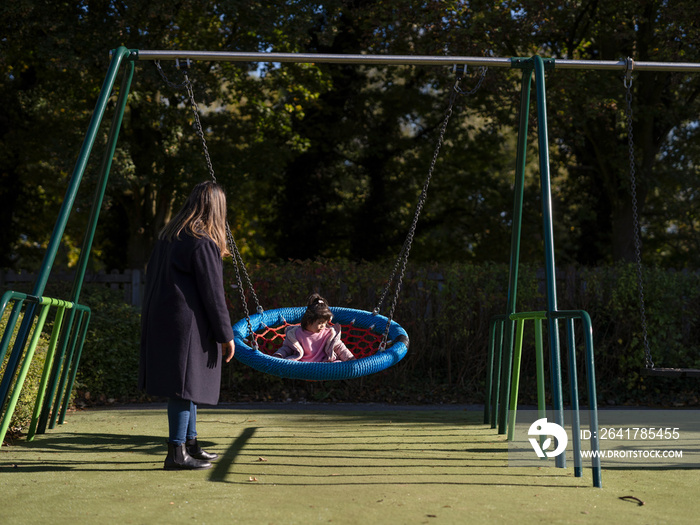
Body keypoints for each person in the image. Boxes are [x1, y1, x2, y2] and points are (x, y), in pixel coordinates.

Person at [139, 181, 235, 471]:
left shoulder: (169, 238)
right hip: (186, 323)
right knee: (182, 387)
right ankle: (176, 453)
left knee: (187, 384)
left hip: (163, 318)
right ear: (217, 209)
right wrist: (226, 335)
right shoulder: (202, 242)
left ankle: (190, 444)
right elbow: (213, 294)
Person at [272, 293, 355, 362]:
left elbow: (340, 347)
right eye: (320, 323)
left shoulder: (328, 334)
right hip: (301, 365)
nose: (323, 326)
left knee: (338, 364)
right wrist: (279, 356)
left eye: (325, 323)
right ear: (308, 320)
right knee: (287, 362)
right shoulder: (296, 334)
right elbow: (287, 348)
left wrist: (349, 358)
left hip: (324, 365)